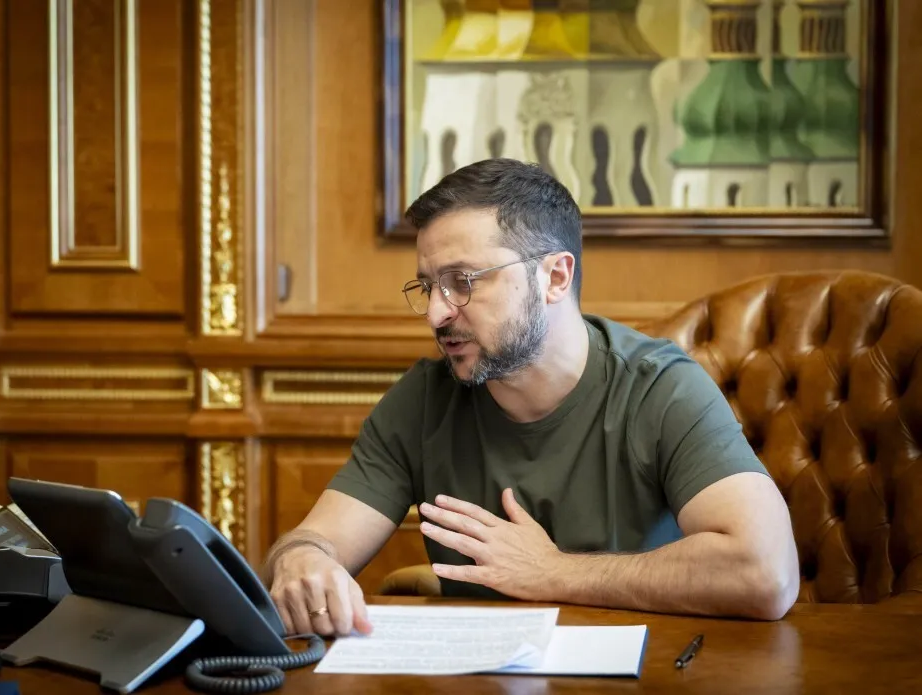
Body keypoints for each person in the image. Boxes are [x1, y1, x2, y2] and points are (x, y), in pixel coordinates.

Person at [260, 158, 800, 638]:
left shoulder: (660, 388)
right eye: (428, 286)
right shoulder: (423, 401)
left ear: (555, 276)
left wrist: (552, 571)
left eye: (463, 281)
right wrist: (301, 561)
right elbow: (315, 540)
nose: (436, 313)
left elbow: (765, 572)